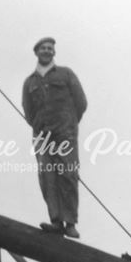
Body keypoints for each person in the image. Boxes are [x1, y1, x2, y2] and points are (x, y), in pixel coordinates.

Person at [21, 37, 87, 238]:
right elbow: (28, 111)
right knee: (47, 177)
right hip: (42, 136)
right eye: (43, 48)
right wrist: (40, 126)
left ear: (54, 53)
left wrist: (68, 123)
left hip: (65, 134)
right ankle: (56, 221)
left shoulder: (66, 74)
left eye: (50, 48)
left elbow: (81, 103)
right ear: (36, 52)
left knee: (67, 175)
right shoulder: (29, 82)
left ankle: (70, 223)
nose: (47, 51)